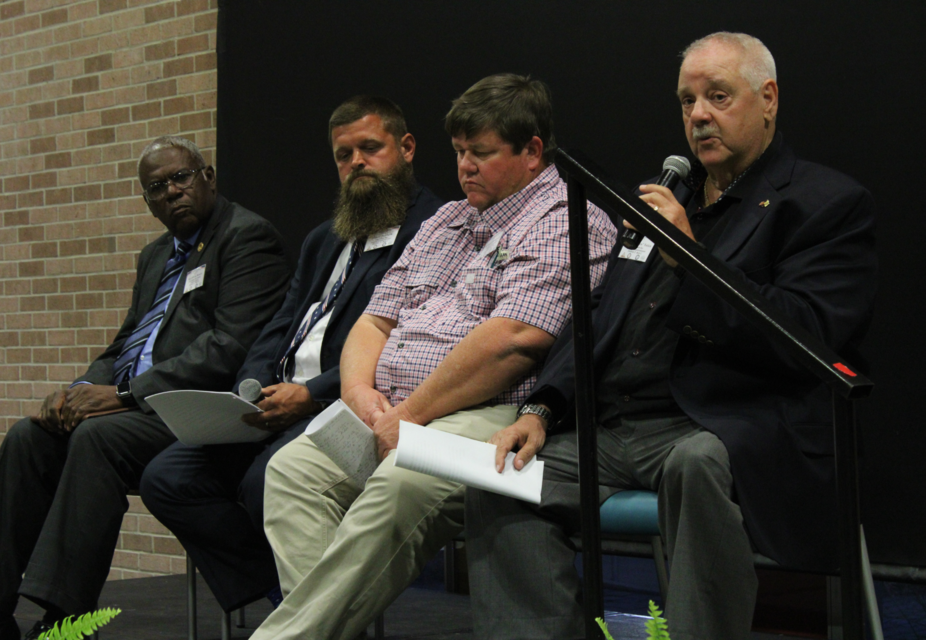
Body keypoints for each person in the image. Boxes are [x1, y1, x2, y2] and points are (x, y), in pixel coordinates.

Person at [465, 32, 877, 640]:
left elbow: (805, 339)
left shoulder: (825, 204)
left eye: (718, 96)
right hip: (614, 427)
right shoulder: (667, 197)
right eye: (687, 101)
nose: (700, 115)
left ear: (768, 99)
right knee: (500, 480)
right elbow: (595, 315)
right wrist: (544, 407)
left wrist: (688, 256)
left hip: (726, 425)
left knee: (696, 465)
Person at [249, 74, 617, 640]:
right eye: (459, 152)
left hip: (491, 413)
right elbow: (374, 319)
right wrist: (359, 397)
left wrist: (409, 415)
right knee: (294, 472)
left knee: (400, 482)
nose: (465, 166)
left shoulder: (566, 220)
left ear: (532, 152)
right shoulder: (447, 220)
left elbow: (514, 341)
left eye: (482, 153)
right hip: (394, 412)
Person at [0, 136, 291, 640]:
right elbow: (124, 343)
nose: (172, 192)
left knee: (96, 440)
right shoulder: (156, 255)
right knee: (29, 437)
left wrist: (121, 396)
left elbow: (230, 346)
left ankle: (65, 621)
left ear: (207, 178)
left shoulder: (247, 237)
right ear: (147, 202)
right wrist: (78, 389)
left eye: (181, 178)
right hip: (139, 409)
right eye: (157, 187)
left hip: (202, 412)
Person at [139, 96, 444, 614]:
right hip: (277, 406)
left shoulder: (435, 230)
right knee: (168, 479)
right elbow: (278, 327)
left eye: (370, 148)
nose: (357, 164)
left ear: (406, 148)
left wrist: (312, 394)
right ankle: (289, 600)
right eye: (344, 155)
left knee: (266, 480)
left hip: (355, 407)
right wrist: (250, 390)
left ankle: (312, 612)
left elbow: (412, 342)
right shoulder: (324, 238)